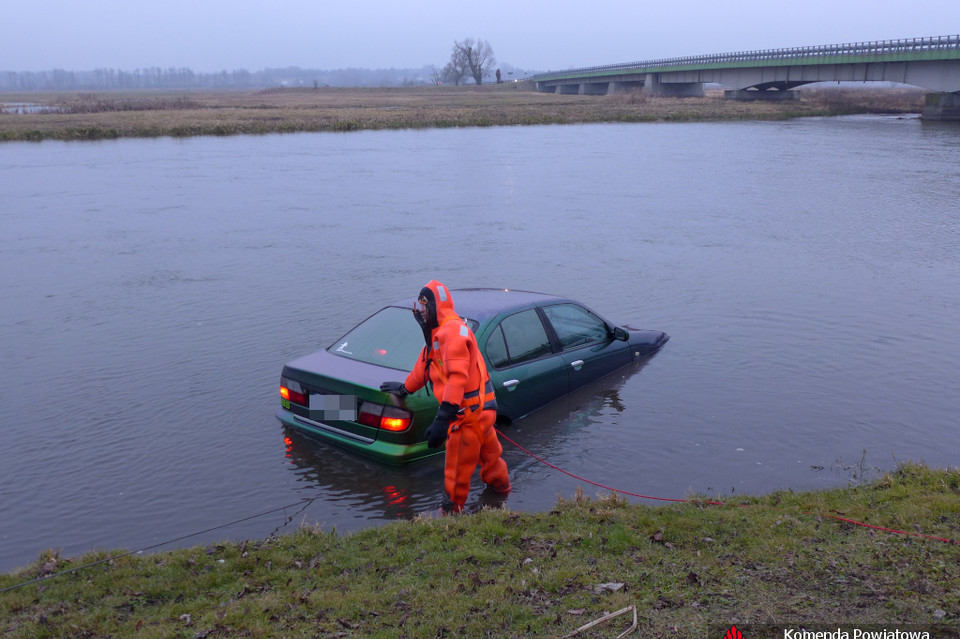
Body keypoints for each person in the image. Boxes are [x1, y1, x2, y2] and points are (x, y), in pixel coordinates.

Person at [380, 280, 510, 513]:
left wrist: (442, 419)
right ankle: (500, 495)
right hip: (481, 410)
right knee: (490, 457)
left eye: (423, 307)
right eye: (418, 307)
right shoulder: (439, 337)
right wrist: (404, 388)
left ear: (433, 307)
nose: (420, 313)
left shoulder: (451, 333)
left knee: (457, 468)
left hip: (467, 415)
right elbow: (425, 368)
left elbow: (457, 377)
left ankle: (451, 513)